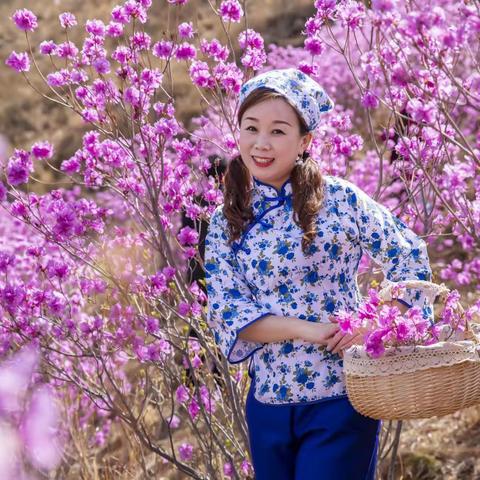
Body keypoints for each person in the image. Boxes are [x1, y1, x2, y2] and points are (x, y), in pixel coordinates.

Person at [204, 68, 432, 480]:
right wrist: (308, 329)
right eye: (250, 128)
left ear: (305, 141)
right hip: (268, 403)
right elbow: (228, 311)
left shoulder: (340, 199)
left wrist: (378, 324)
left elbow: (409, 253)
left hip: (342, 396)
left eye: (277, 131)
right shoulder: (225, 221)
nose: (261, 143)